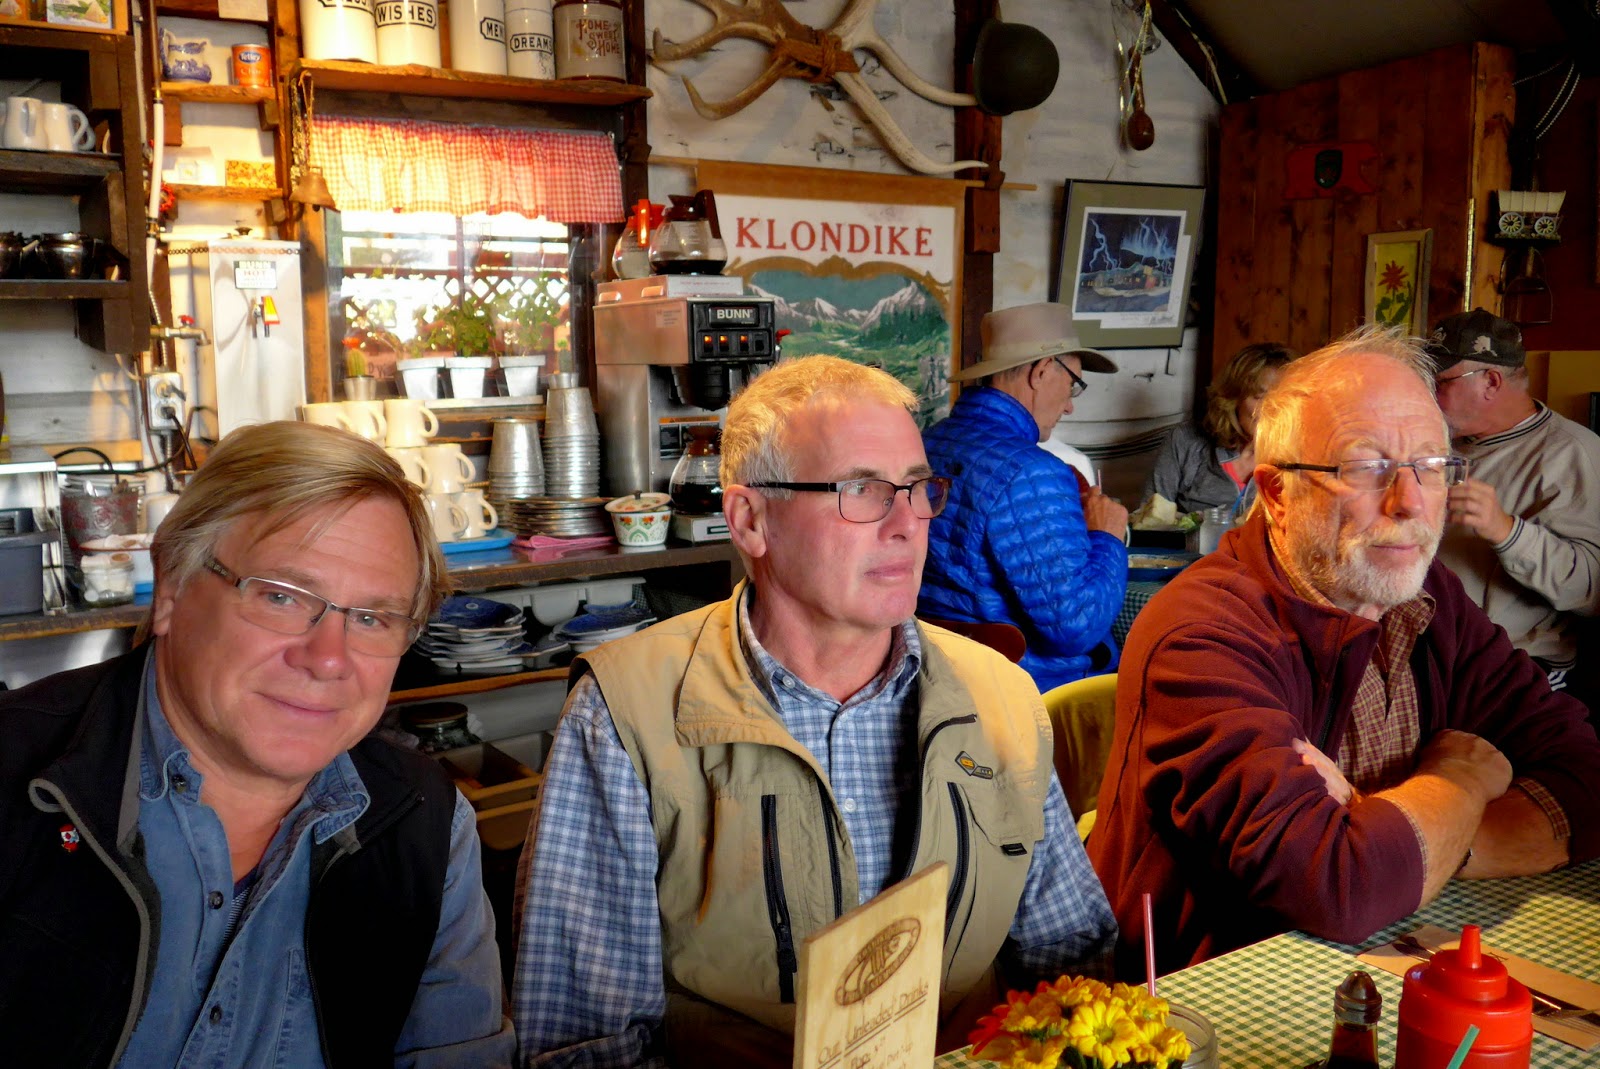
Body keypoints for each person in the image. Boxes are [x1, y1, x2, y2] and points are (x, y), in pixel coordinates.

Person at [512, 355, 1117, 1068]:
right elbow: (583, 1044)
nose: (908, 524)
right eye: (862, 489)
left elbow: (1073, 958)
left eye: (918, 488)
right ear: (750, 520)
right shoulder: (624, 714)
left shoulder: (1001, 695)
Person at [0, 421, 515, 1068]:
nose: (328, 659)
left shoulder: (426, 825)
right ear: (171, 586)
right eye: (280, 596)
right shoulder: (17, 780)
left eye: (371, 617)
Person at [1089, 329, 1600, 977]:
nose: (1410, 502)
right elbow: (1335, 888)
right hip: (1208, 997)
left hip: (1388, 954)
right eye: (1365, 467)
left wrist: (1433, 842)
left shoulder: (1428, 596)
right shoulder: (1203, 632)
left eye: (1432, 465)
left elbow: (1585, 778)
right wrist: (1463, 778)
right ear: (1277, 494)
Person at [919, 302, 1129, 691]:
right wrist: (1107, 536)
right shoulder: (1033, 471)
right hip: (1028, 690)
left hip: (938, 674)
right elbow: (1076, 627)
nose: (1069, 405)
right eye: (1073, 384)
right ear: (1042, 371)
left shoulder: (928, 442)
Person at [1426, 308, 1600, 708]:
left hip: (1514, 667)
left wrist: (1506, 531)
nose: (1429, 394)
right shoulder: (1442, 441)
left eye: (1440, 382)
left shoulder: (1573, 453)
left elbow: (1592, 590)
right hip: (1431, 652)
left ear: (1490, 381)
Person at [1144, 341, 1296, 514]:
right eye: (1259, 397)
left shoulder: (1304, 457)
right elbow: (1148, 519)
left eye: (1283, 398)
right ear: (1233, 399)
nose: (1272, 409)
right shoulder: (1185, 440)